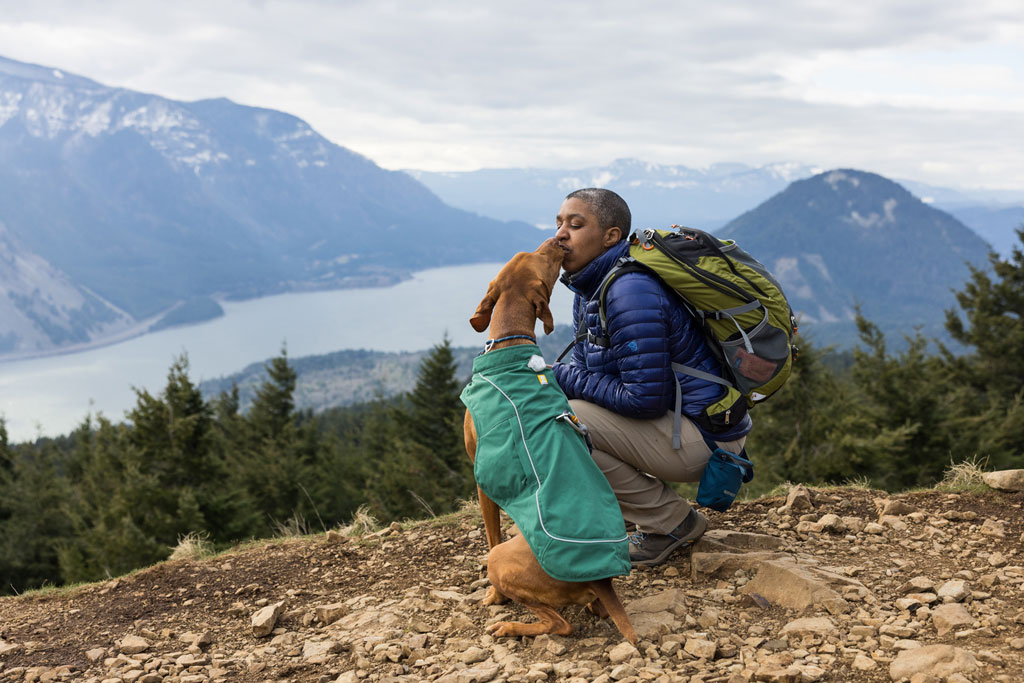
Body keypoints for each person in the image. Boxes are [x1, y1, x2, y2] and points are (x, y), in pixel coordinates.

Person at [551, 188, 752, 567]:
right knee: (558, 404)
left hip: (705, 439)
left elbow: (644, 399)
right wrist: (561, 378)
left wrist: (557, 375)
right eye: (559, 223)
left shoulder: (629, 291)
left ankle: (671, 523)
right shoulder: (592, 285)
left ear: (611, 236)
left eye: (575, 225)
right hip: (684, 424)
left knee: (560, 420)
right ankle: (626, 513)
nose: (561, 233)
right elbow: (586, 369)